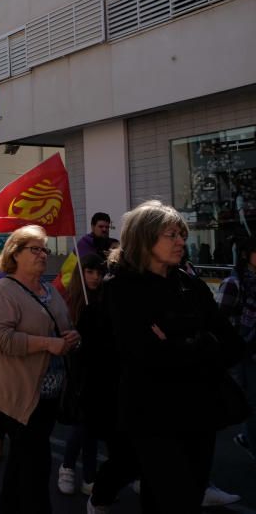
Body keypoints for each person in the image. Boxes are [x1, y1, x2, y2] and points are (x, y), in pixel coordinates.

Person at [101, 200, 244, 514]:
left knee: (186, 497)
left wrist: (181, 344)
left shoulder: (191, 285)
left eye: (182, 234)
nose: (182, 241)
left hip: (200, 412)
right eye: (171, 235)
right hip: (152, 415)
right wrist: (201, 344)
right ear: (145, 239)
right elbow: (141, 355)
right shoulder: (121, 290)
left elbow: (232, 346)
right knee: (171, 498)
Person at [0, 225, 79, 514]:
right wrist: (45, 344)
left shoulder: (49, 289)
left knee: (22, 460)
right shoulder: (2, 291)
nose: (42, 255)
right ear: (15, 253)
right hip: (20, 394)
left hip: (50, 393)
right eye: (35, 249)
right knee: (37, 465)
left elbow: (63, 326)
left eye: (44, 249)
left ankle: (8, 506)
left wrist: (73, 337)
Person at [57, 253, 106, 497]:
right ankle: (68, 467)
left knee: (92, 425)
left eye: (99, 272)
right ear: (81, 273)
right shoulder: (73, 300)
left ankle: (89, 475)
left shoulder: (105, 298)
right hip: (79, 369)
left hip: (102, 368)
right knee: (84, 423)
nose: (95, 277)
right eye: (90, 272)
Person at [218, 237, 256, 463]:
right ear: (245, 255)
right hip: (243, 352)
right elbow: (218, 320)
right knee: (251, 403)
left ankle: (247, 438)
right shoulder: (234, 283)